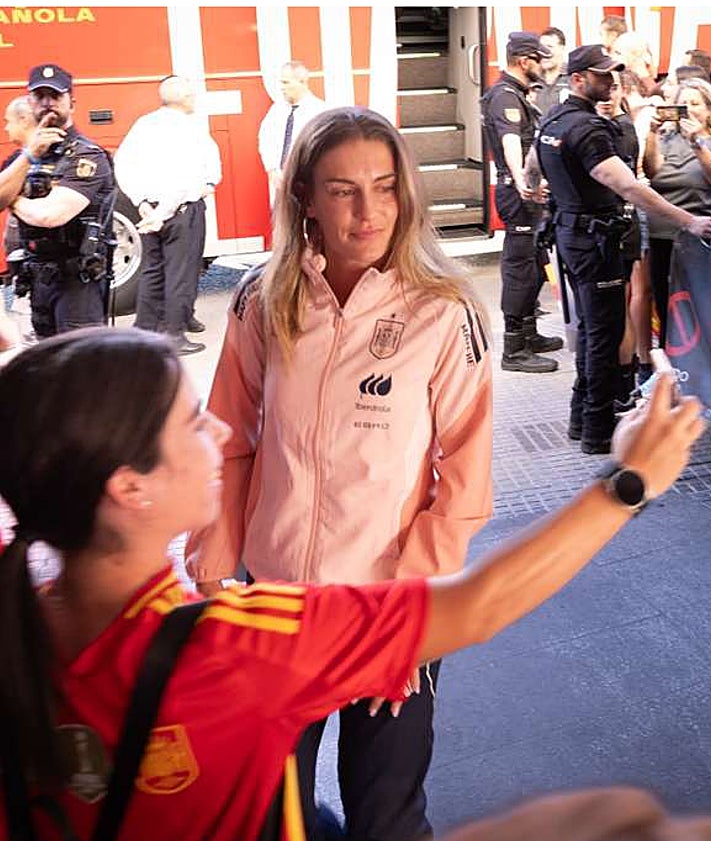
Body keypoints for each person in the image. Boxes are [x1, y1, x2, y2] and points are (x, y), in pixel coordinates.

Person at [0, 327, 704, 841]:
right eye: (189, 423)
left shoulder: (18, 621)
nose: (218, 430)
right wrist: (625, 483)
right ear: (130, 487)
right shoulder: (236, 647)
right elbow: (475, 605)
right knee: (611, 819)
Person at [188, 104, 494, 841]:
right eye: (341, 190)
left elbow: (465, 470)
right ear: (304, 199)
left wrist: (411, 614)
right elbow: (227, 436)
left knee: (384, 820)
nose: (367, 212)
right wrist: (213, 563)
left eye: (384, 187)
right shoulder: (264, 298)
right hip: (275, 604)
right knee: (262, 810)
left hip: (385, 609)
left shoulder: (442, 309)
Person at [530, 45, 711, 454]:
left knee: (592, 330)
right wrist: (689, 220)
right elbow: (628, 185)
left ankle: (583, 418)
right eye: (601, 75)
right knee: (604, 334)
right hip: (594, 242)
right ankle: (596, 429)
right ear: (578, 79)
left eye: (612, 74)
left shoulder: (553, 121)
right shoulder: (586, 128)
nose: (610, 82)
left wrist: (538, 186)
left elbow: (532, 167)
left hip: (571, 236)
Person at [4, 64, 114, 338]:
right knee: (47, 368)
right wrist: (29, 155)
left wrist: (12, 199)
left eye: (55, 96)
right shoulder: (26, 156)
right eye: (39, 96)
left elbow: (50, 215)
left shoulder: (87, 156)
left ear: (71, 103)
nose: (47, 103)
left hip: (77, 284)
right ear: (30, 102)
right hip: (38, 280)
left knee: (80, 371)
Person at [114, 75, 222, 355]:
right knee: (181, 273)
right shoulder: (190, 129)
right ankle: (174, 334)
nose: (194, 99)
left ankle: (145, 329)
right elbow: (189, 178)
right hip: (180, 211)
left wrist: (142, 205)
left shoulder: (144, 124)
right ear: (184, 98)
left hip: (150, 210)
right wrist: (164, 211)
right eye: (191, 95)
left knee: (153, 270)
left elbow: (123, 165)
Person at [481, 31, 563, 374]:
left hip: (525, 191)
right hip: (519, 194)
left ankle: (529, 333)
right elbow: (511, 142)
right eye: (540, 60)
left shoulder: (517, 93)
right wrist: (521, 181)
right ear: (525, 61)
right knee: (520, 269)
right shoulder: (505, 97)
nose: (545, 66)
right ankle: (514, 349)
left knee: (534, 264)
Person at [643, 77, 711, 349]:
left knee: (701, 306)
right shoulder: (665, 137)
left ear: (708, 110)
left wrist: (697, 142)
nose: (688, 109)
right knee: (666, 302)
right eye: (682, 103)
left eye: (695, 103)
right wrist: (650, 135)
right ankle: (674, 367)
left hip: (700, 237)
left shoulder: (706, 140)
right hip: (663, 235)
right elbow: (653, 172)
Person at [595, 70, 642, 409]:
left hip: (622, 226)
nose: (609, 96)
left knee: (620, 306)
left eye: (615, 89)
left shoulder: (622, 129)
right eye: (605, 89)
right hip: (602, 228)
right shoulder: (591, 125)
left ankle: (624, 385)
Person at [258, 60, 327, 205]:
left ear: (301, 82)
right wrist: (271, 169)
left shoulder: (319, 111)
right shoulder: (277, 110)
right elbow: (265, 139)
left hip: (307, 183)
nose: (281, 88)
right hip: (279, 184)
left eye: (286, 83)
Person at [538, 27, 570, 116]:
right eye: (541, 48)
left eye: (549, 47)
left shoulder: (574, 78)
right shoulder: (532, 79)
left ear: (562, 48)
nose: (544, 52)